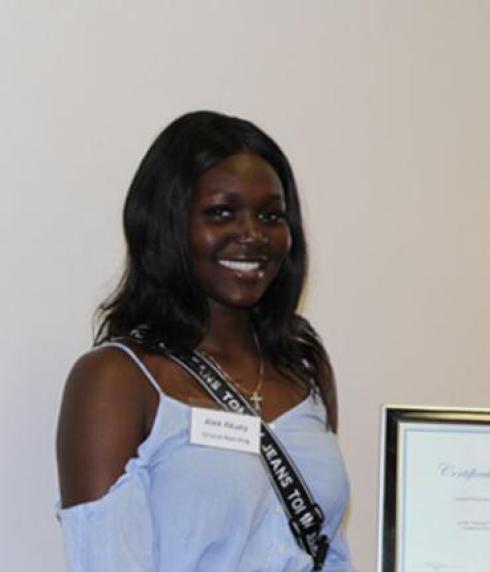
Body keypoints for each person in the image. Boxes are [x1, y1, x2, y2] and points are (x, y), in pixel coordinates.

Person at [56, 111, 354, 571]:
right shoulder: (116, 381)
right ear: (168, 223)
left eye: (271, 215)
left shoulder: (303, 366)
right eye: (221, 213)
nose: (252, 235)